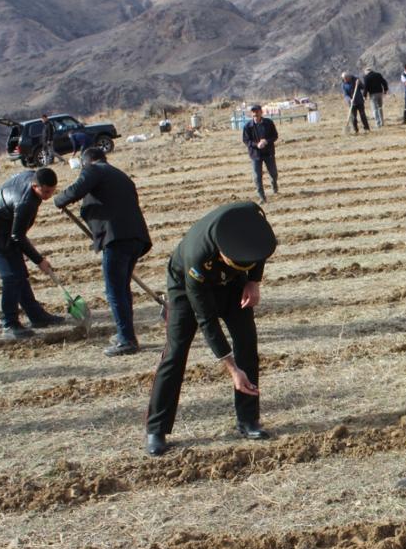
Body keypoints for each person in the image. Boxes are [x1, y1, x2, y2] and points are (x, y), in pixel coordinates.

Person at [145, 202, 277, 457]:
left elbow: (261, 247)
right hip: (188, 287)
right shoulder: (198, 255)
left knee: (247, 343)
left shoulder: (250, 218)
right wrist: (232, 369)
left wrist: (252, 280)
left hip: (233, 286)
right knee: (176, 352)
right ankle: (156, 429)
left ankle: (248, 420)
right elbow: (207, 320)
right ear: (221, 253)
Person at [53, 148, 152, 355]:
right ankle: (126, 334)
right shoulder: (120, 175)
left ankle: (126, 340)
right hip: (135, 238)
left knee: (115, 291)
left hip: (116, 238)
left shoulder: (94, 170)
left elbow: (77, 189)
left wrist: (59, 199)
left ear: (86, 162)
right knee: (122, 290)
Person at [0, 168, 65, 339]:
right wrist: (39, 260)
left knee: (20, 273)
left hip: (5, 227)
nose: (49, 196)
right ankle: (9, 324)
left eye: (52, 191)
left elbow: (17, 234)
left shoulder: (33, 177)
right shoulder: (26, 202)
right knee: (11, 276)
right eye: (46, 191)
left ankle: (36, 316)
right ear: (35, 185)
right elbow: (18, 236)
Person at [241, 104, 279, 202]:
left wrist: (266, 141)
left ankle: (274, 185)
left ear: (261, 112)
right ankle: (262, 197)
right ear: (251, 113)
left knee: (273, 173)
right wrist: (256, 144)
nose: (255, 113)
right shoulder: (247, 127)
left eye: (257, 111)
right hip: (255, 155)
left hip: (268, 153)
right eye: (253, 112)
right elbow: (246, 140)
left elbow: (275, 136)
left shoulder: (269, 123)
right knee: (257, 176)